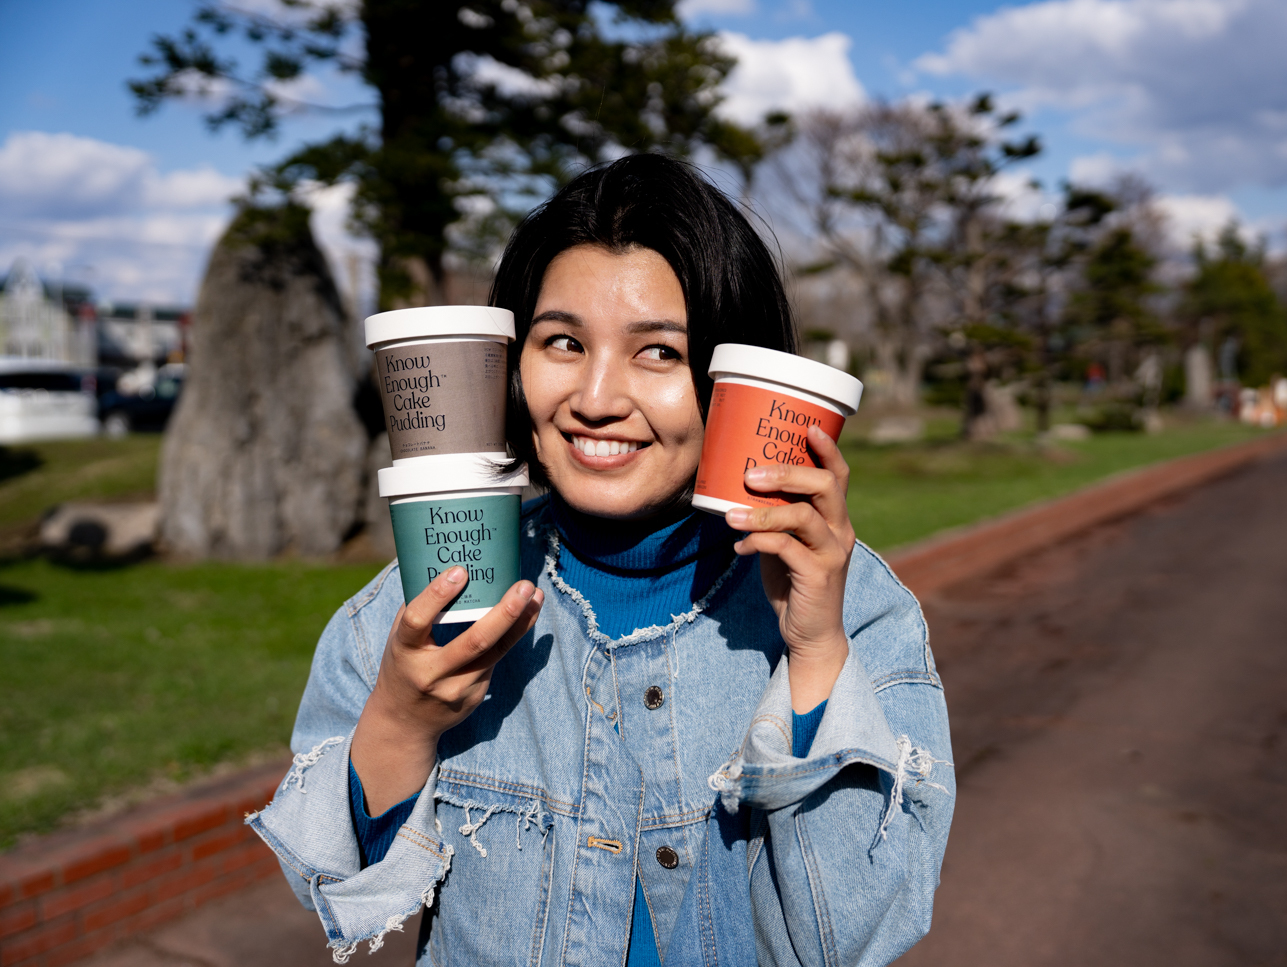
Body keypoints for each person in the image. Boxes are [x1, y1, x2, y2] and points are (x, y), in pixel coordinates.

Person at [247, 154, 953, 966]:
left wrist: (817, 653)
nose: (594, 397)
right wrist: (402, 724)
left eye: (658, 353)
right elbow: (337, 887)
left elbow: (863, 932)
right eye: (562, 341)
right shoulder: (427, 597)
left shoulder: (855, 609)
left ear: (734, 374)